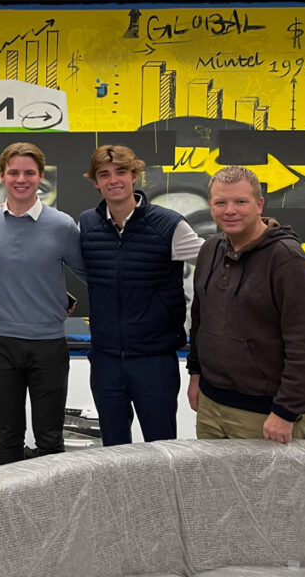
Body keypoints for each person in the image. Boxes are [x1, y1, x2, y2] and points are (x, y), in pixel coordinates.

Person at [187, 165, 305, 443]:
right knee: (211, 487)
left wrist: (286, 411)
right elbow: (200, 319)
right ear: (211, 206)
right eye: (221, 202)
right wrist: (196, 374)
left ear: (259, 204)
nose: (230, 210)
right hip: (210, 405)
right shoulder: (209, 250)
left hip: (264, 415)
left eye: (241, 201)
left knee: (267, 489)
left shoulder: (288, 260)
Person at [78, 145, 204, 445]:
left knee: (161, 451)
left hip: (154, 361)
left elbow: (215, 260)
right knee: (114, 451)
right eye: (104, 174)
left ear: (135, 176)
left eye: (121, 172)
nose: (113, 180)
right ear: (95, 182)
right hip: (106, 361)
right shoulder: (86, 224)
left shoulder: (169, 225)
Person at [0, 142, 86, 464]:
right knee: (8, 434)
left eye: (29, 172)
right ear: (2, 176)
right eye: (14, 172)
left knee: (49, 438)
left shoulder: (63, 225)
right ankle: (9, 511)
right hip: (1, 343)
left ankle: (51, 512)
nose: (21, 179)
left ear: (41, 176)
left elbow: (89, 275)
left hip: (48, 345)